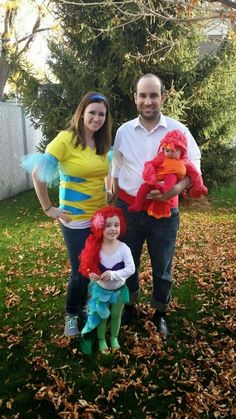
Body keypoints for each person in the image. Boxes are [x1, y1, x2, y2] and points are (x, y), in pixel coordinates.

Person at [111, 73, 203, 339]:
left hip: (165, 213)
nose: (148, 101)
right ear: (135, 98)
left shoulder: (178, 130)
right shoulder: (123, 131)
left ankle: (160, 312)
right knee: (127, 262)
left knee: (162, 266)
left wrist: (176, 189)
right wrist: (112, 193)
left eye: (153, 95)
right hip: (129, 208)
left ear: (163, 97)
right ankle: (130, 306)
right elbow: (116, 167)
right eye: (143, 95)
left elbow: (194, 165)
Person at [22, 91, 112, 337]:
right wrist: (48, 208)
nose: (96, 118)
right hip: (74, 220)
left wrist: (108, 190)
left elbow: (103, 170)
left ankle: (84, 308)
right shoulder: (66, 139)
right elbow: (37, 173)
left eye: (101, 114)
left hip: (99, 218)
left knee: (93, 267)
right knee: (81, 270)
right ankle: (72, 314)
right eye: (92, 112)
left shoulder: (102, 143)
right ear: (81, 112)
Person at [79, 206, 135, 354]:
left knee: (116, 315)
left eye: (116, 225)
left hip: (119, 291)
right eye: (108, 225)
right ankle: (102, 339)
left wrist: (114, 274)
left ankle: (114, 337)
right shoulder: (96, 248)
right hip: (101, 290)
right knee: (103, 316)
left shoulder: (124, 248)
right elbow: (89, 267)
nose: (113, 229)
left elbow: (131, 269)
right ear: (100, 228)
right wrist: (92, 274)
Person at [128, 129, 208, 219]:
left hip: (170, 185)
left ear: (181, 151)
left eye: (173, 151)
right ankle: (137, 205)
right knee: (143, 187)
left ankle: (165, 193)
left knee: (171, 176)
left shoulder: (185, 162)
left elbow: (195, 174)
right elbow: (151, 164)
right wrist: (150, 176)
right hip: (155, 182)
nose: (169, 153)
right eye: (167, 150)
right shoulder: (161, 157)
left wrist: (198, 187)